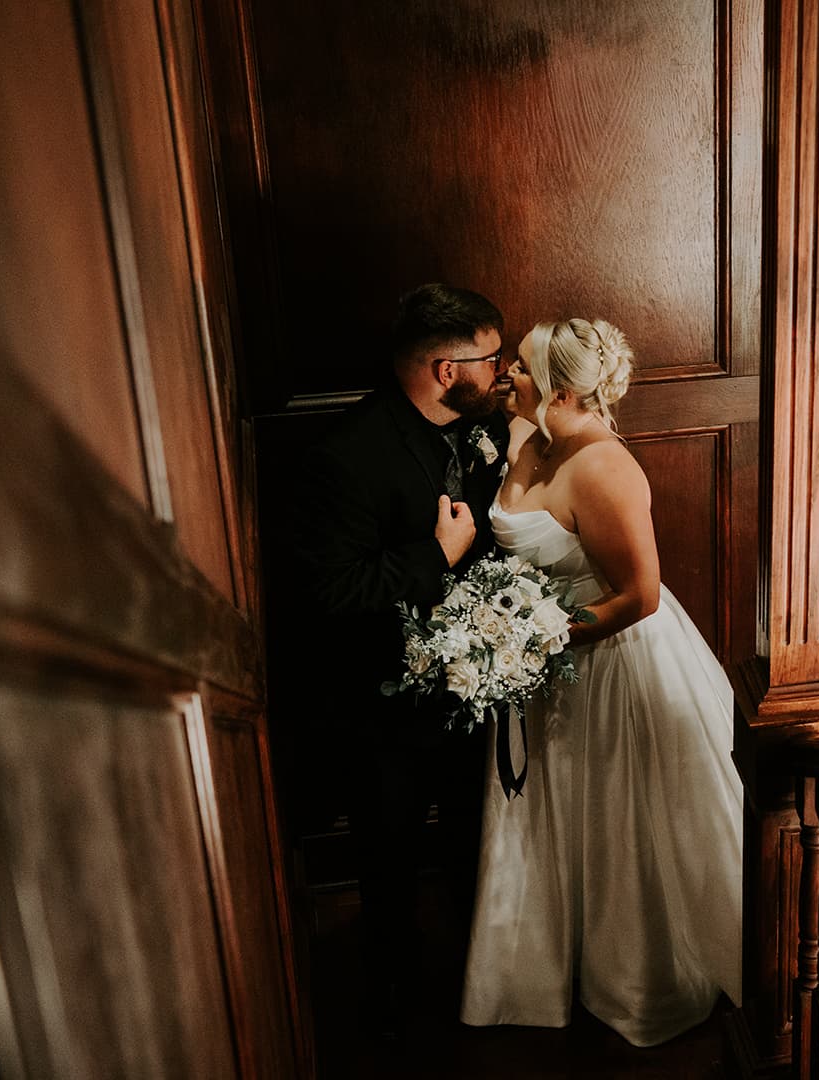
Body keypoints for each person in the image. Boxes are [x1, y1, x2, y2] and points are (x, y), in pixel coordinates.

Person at [460, 318, 743, 1046]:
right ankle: (549, 968)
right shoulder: (529, 437)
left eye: (518, 368)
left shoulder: (607, 469)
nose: (504, 377)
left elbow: (638, 596)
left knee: (619, 817)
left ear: (558, 388)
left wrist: (529, 640)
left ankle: (638, 979)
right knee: (558, 813)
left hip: (611, 665)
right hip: (545, 669)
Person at [289, 283, 512, 1032]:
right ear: (447, 369)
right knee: (388, 858)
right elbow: (334, 592)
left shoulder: (487, 428)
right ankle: (400, 1009)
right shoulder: (344, 456)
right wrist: (435, 554)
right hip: (382, 705)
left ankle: (479, 976)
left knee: (474, 843)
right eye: (491, 358)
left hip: (477, 686)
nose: (504, 370)